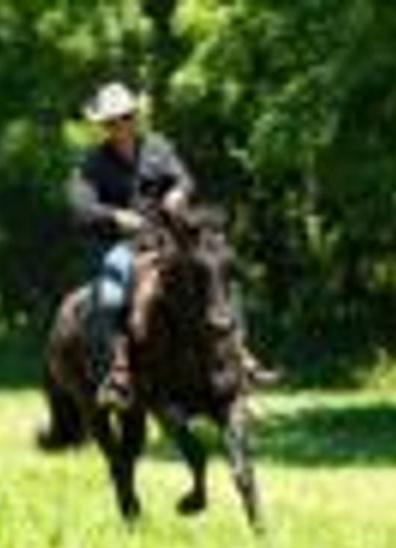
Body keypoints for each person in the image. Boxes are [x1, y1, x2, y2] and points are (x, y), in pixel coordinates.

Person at [68, 82, 274, 409]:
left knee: (216, 271)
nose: (120, 125)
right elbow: (81, 206)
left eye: (126, 117)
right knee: (111, 291)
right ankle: (118, 371)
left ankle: (241, 355)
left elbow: (184, 178)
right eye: (112, 121)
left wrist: (178, 192)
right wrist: (115, 216)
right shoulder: (92, 162)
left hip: (170, 237)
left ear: (135, 117)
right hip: (123, 245)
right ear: (104, 125)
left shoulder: (158, 147)